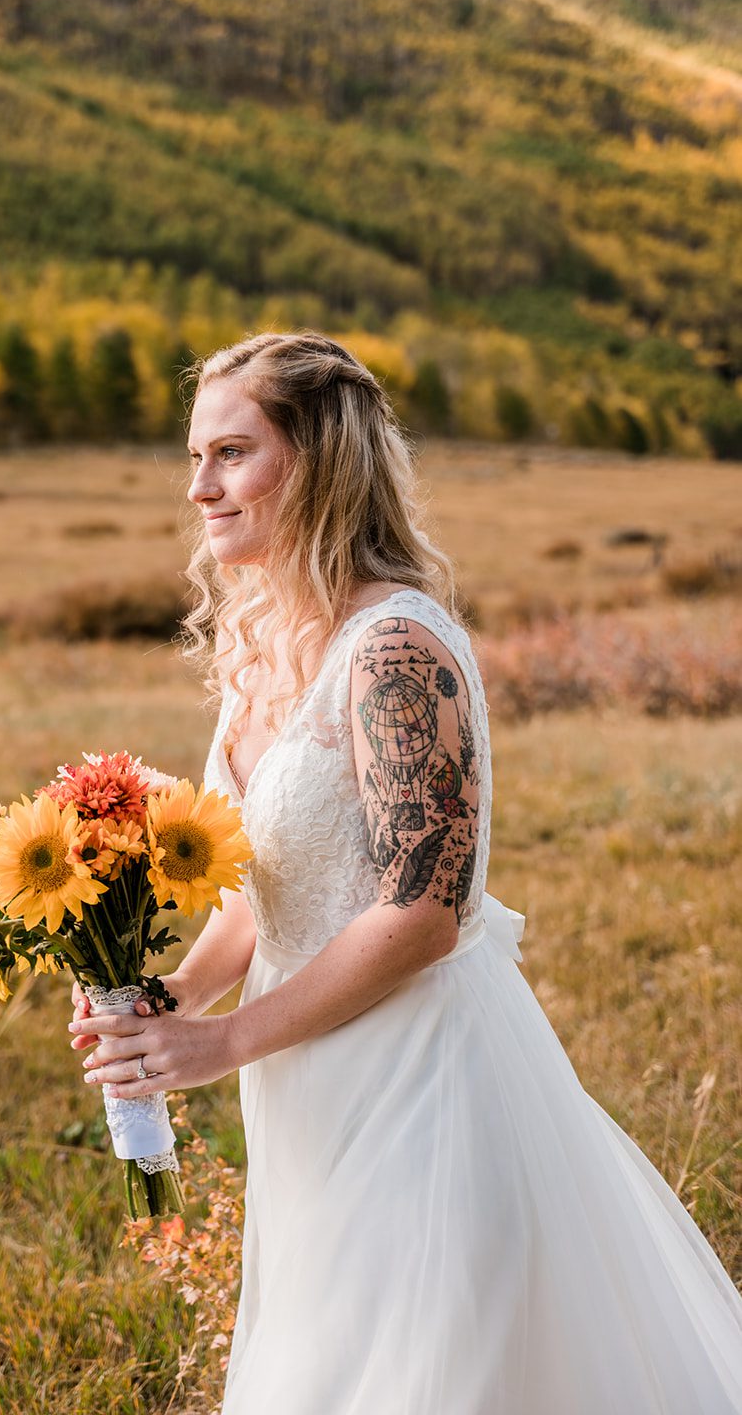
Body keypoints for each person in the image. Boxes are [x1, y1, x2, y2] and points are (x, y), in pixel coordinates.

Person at [69, 331, 742, 1413]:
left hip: (419, 1072)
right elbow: (260, 880)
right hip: (305, 1082)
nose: (199, 487)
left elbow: (425, 910)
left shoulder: (395, 648)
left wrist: (221, 1038)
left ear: (322, 459)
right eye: (195, 457)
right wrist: (171, 998)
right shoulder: (263, 644)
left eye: (232, 453)